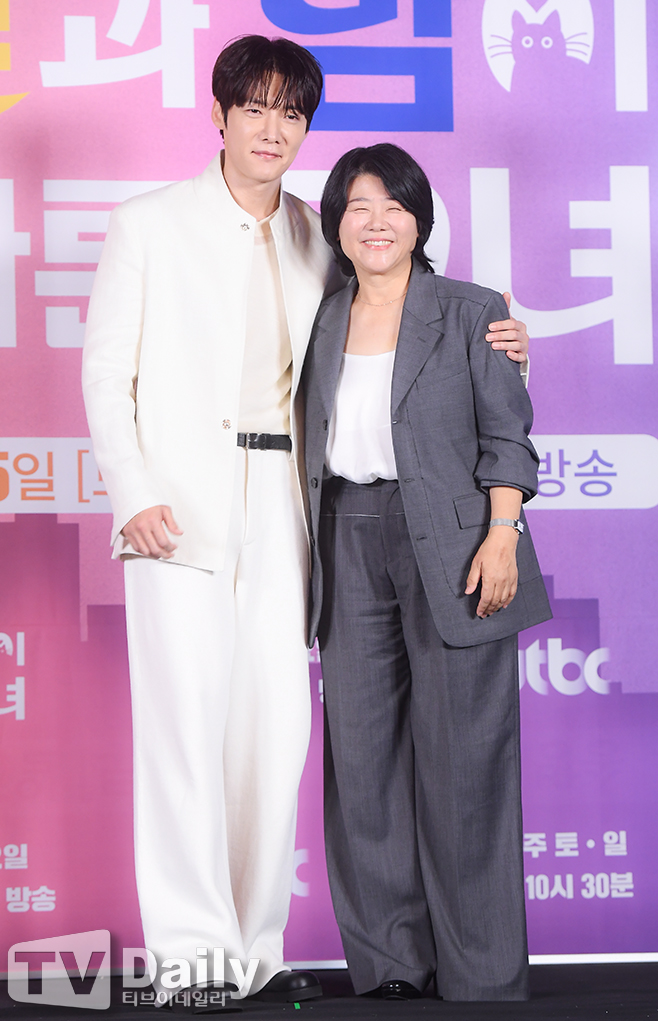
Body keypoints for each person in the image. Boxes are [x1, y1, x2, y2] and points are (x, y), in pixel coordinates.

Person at [82, 34, 530, 1006]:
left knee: (276, 734)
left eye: (291, 113)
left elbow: (396, 317)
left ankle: (254, 949)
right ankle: (193, 957)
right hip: (176, 510)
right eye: (254, 107)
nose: (271, 128)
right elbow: (105, 373)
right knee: (185, 734)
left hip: (293, 508)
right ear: (219, 114)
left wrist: (501, 334)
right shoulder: (146, 224)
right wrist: (133, 492)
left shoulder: (316, 236)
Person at [302, 144, 552, 1003]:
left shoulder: (474, 310)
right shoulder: (320, 318)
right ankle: (391, 963)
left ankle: (481, 972)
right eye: (358, 206)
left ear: (420, 221)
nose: (377, 222)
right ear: (336, 222)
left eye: (395, 206)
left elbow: (508, 437)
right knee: (362, 761)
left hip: (457, 541)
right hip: (345, 534)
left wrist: (502, 534)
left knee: (466, 761)